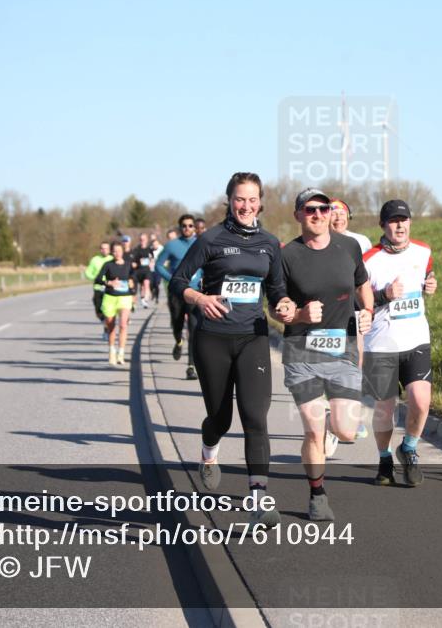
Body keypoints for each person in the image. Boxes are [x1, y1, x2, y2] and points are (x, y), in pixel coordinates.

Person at [170, 172, 296, 528]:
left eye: (252, 199)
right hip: (213, 338)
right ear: (229, 200)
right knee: (221, 419)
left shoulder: (270, 244)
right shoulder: (210, 239)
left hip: (253, 337)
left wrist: (284, 304)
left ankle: (258, 500)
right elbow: (179, 280)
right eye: (240, 199)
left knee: (255, 417)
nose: (246, 205)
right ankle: (209, 452)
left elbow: (276, 290)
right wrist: (199, 297)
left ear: (261, 202)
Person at [281, 189, 373, 520]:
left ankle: (333, 420)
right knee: (312, 429)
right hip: (301, 353)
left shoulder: (348, 247)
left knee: (347, 431)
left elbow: (363, 284)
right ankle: (317, 494)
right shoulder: (287, 254)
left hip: (343, 351)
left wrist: (368, 311)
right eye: (311, 210)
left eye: (324, 208)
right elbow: (280, 307)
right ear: (298, 215)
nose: (319, 214)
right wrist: (300, 315)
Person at [363, 200, 438, 487]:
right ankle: (384, 458)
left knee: (421, 400)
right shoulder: (369, 259)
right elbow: (360, 301)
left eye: (404, 220)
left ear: (410, 223)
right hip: (380, 344)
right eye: (393, 221)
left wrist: (431, 284)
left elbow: (427, 275)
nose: (399, 225)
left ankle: (408, 448)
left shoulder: (424, 251)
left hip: (416, 339)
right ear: (383, 225)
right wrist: (383, 295)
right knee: (385, 409)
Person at [329, 198, 373, 440]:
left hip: (354, 308)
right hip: (328, 311)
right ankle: (335, 412)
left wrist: (370, 306)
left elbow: (367, 277)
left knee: (355, 363)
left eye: (342, 213)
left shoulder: (361, 241)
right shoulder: (320, 241)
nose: (338, 218)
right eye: (334, 214)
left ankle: (351, 418)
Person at [156, 215, 199, 379]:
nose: (187, 228)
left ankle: (191, 366)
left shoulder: (201, 243)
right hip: (177, 292)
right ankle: (178, 341)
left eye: (190, 225)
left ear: (194, 228)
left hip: (195, 292)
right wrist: (172, 280)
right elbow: (158, 266)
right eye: (184, 226)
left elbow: (210, 265)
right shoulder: (172, 245)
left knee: (194, 329)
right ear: (180, 228)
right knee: (177, 324)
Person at [95, 241, 137, 366]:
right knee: (111, 326)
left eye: (119, 250)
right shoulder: (107, 265)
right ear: (111, 252)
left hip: (125, 298)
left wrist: (133, 288)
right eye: (114, 251)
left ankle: (121, 353)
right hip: (110, 298)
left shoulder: (128, 265)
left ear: (122, 251)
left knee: (123, 325)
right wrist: (109, 283)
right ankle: (112, 351)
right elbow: (98, 279)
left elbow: (133, 278)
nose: (117, 253)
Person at [84, 241, 112, 339]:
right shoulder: (95, 260)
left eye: (106, 248)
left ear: (109, 249)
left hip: (109, 288)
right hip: (98, 287)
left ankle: (107, 330)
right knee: (98, 309)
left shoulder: (112, 259)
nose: (104, 250)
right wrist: (95, 277)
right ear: (100, 250)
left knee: (107, 310)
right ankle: (105, 323)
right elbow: (88, 272)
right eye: (103, 248)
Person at [131, 233, 155, 308]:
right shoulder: (136, 250)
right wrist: (138, 262)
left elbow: (152, 259)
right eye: (141, 239)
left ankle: (145, 300)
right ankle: (140, 300)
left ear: (147, 240)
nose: (142, 241)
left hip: (147, 270)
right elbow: (133, 263)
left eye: (144, 239)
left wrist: (152, 263)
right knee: (140, 287)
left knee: (146, 284)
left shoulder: (149, 249)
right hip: (138, 271)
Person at [150, 236, 164, 304]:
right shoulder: (150, 250)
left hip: (158, 270)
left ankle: (157, 298)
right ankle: (152, 292)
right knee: (151, 284)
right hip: (151, 269)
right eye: (154, 244)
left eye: (156, 244)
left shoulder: (161, 249)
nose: (155, 246)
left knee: (157, 284)